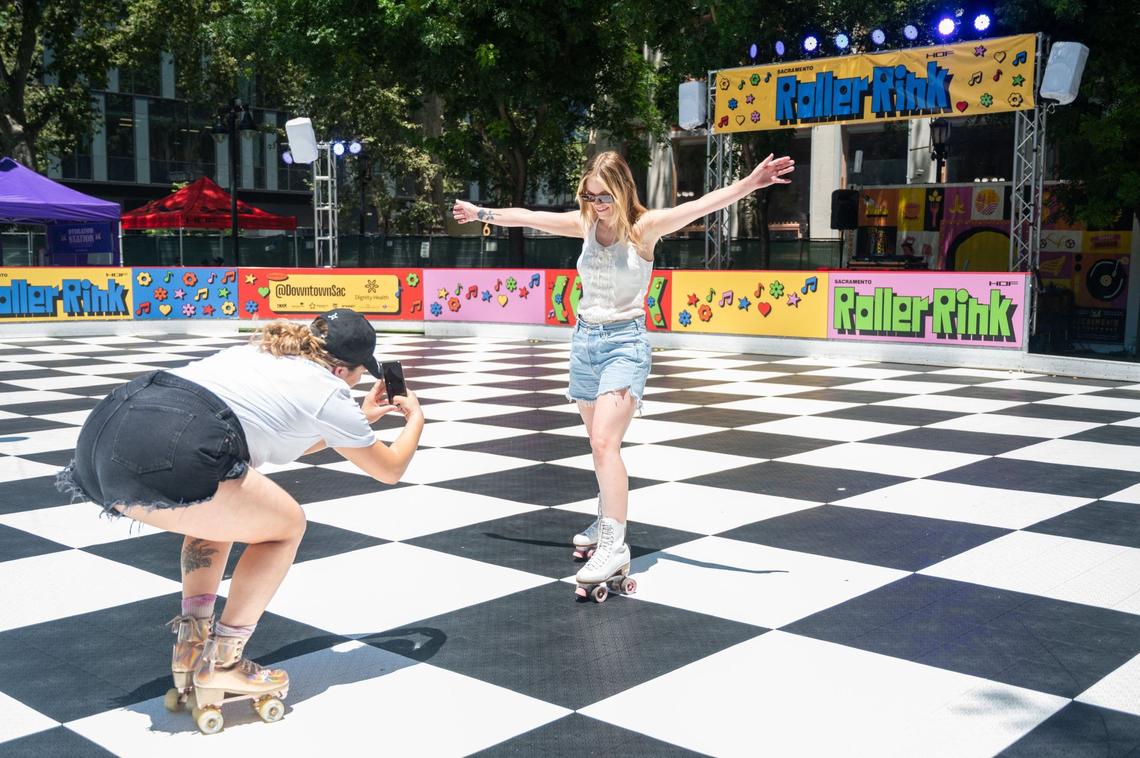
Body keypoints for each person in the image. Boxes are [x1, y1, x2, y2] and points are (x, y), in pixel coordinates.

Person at [56, 308, 423, 732]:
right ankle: (225, 661)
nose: (358, 380)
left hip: (106, 433)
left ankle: (191, 648)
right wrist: (415, 419)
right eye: (359, 372)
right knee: (287, 527)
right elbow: (390, 469)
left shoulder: (267, 354)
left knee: (217, 516)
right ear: (341, 368)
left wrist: (362, 418)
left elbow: (293, 437)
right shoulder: (328, 390)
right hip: (174, 442)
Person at [452, 150, 794, 595]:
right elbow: (531, 216)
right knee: (599, 449)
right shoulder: (585, 225)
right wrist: (481, 212)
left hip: (625, 344)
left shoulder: (644, 228)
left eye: (603, 196)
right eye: (589, 196)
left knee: (604, 441)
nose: (596, 205)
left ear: (621, 189)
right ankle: (603, 520)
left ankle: (614, 543)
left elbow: (703, 204)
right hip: (584, 344)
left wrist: (751, 183)